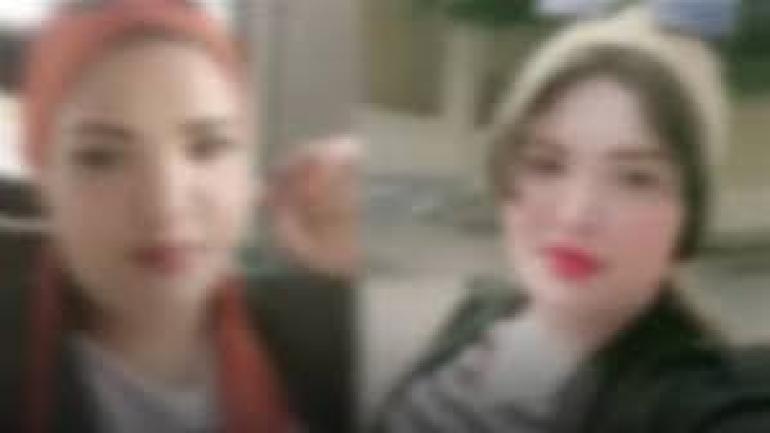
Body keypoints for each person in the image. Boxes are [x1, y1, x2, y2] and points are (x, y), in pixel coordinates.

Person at [373, 7, 770, 433]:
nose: (576, 215)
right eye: (547, 165)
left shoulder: (692, 400)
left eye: (635, 179)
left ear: (688, 214)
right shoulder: (480, 312)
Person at [0, 1, 357, 432]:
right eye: (101, 157)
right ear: (45, 182)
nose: (164, 205)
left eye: (207, 147)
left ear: (247, 173)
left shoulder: (328, 338)